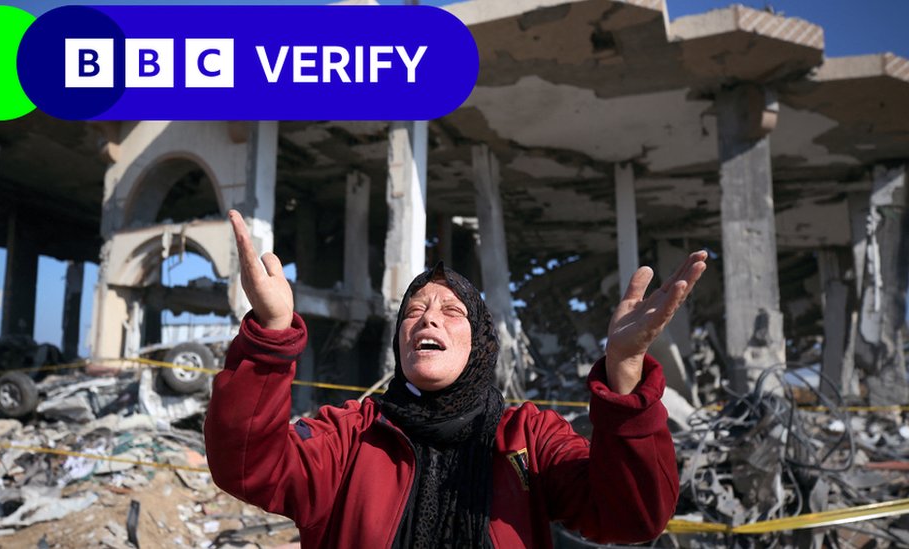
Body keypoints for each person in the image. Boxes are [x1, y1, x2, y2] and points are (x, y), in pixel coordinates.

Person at [205, 209, 707, 548]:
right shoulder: (350, 436)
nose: (427, 319)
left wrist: (624, 368)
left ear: (480, 342)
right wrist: (270, 336)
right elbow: (250, 468)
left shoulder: (528, 438)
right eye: (415, 311)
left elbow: (634, 516)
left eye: (450, 311)